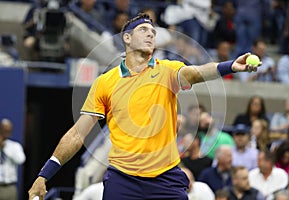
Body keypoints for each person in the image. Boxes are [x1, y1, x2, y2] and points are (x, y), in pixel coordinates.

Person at [28, 13, 260, 200]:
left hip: (166, 179)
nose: (151, 34)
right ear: (126, 38)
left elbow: (197, 73)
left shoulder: (167, 70)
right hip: (123, 180)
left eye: (153, 32)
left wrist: (230, 66)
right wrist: (44, 175)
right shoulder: (104, 83)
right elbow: (78, 134)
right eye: (143, 30)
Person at [0, 118, 26, 200]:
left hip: (9, 187)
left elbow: (21, 160)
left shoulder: (15, 146)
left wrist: (4, 148)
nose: (6, 132)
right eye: (4, 130)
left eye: (8, 130)